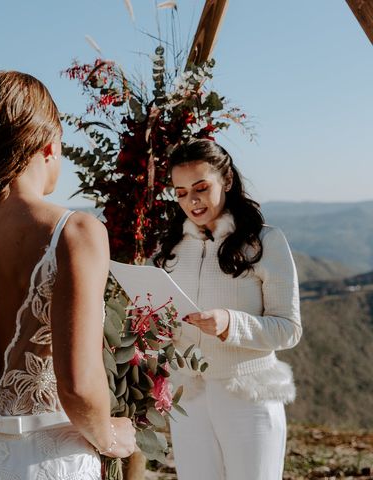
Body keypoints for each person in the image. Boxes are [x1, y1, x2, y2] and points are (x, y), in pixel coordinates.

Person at [0, 71, 137, 479]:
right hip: (48, 463)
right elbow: (76, 385)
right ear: (49, 147)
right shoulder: (73, 232)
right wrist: (111, 438)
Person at [154, 138, 302, 480]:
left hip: (248, 397)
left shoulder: (265, 242)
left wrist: (229, 324)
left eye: (201, 187)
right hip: (188, 397)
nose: (191, 201)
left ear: (227, 181)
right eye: (180, 192)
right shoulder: (170, 250)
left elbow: (289, 329)